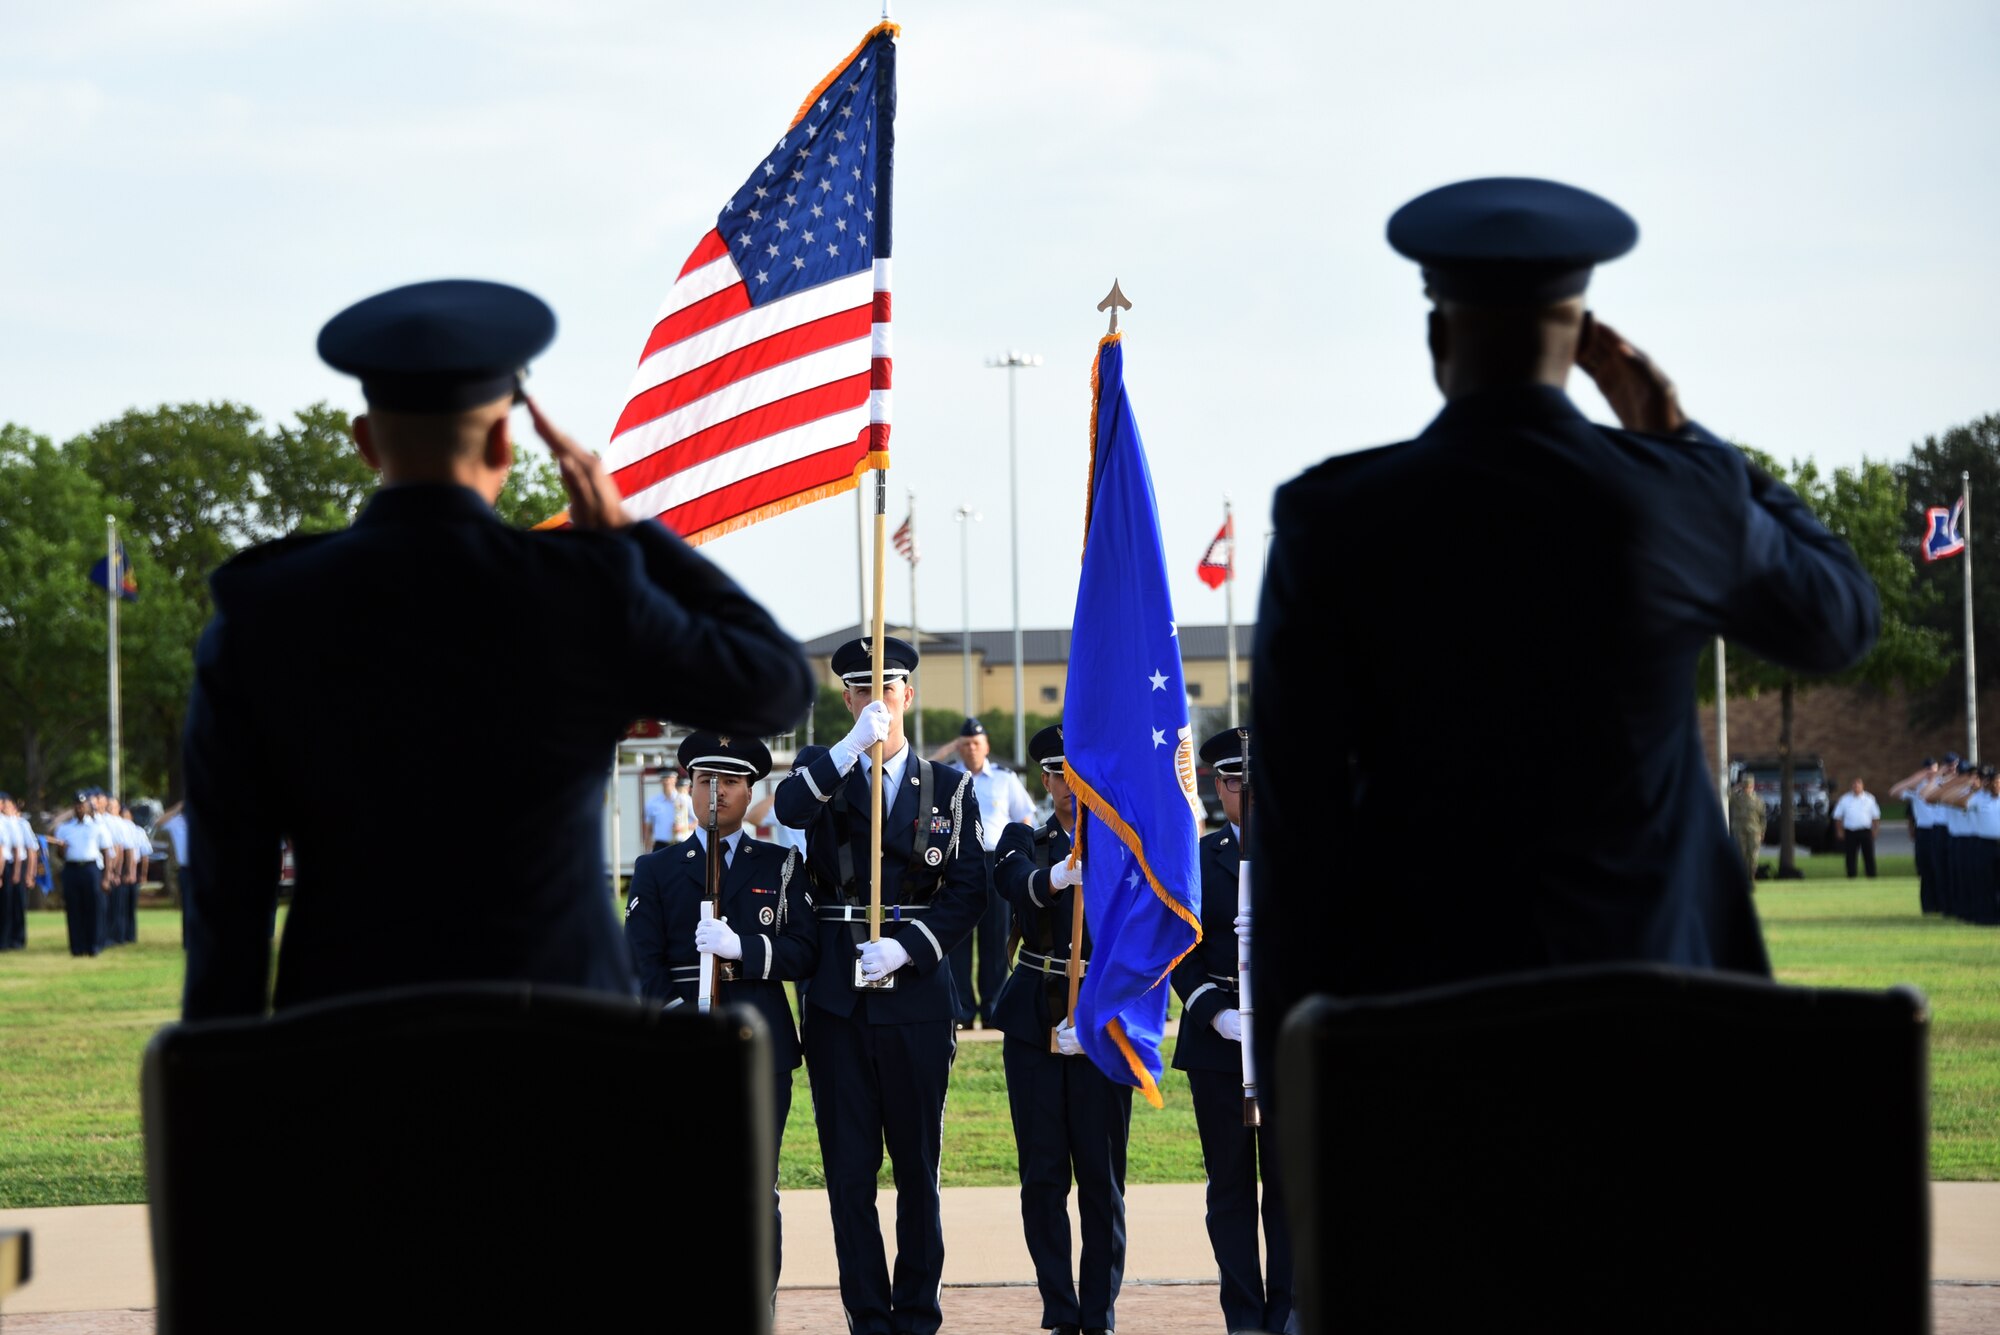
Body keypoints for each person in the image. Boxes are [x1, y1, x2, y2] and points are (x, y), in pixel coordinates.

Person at [1251, 178, 1881, 1117]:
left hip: (1426, 1047)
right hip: (1661, 1040)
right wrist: (1684, 440)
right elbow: (1841, 618)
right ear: (1584, 343)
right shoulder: (1675, 494)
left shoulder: (1333, 519)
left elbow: (1296, 827)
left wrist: (1302, 1086)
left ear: (1438, 341)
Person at [181, 279, 814, 1020]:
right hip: (557, 1038)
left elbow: (230, 885)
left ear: (364, 442)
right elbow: (774, 682)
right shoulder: (578, 590)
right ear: (503, 442)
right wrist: (629, 535)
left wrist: (221, 1070)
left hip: (346, 1040)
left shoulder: (267, 609)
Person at [774, 635, 987, 1335]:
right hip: (839, 996)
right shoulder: (821, 772)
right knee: (849, 1172)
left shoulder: (950, 787)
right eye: (861, 689)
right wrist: (842, 752)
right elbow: (790, 809)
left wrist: (908, 945)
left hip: (918, 996)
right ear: (847, 699)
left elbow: (969, 889)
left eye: (887, 685)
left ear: (909, 693)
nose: (877, 699)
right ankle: (868, 1313)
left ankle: (917, 1312)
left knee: (917, 1171)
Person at [623, 730, 817, 1284]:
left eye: (730, 782)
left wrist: (746, 949)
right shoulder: (657, 869)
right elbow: (643, 960)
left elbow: (805, 951)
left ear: (749, 791)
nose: (716, 793)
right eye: (705, 780)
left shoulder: (780, 865)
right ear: (688, 788)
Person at [990, 724, 1131, 1335]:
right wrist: (1056, 878)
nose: (1068, 787)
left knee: (1101, 1177)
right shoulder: (1027, 835)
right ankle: (1059, 1305)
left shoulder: (1125, 841)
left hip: (1100, 1014)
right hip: (1034, 1017)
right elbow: (1009, 877)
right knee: (1043, 1173)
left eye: (1077, 775)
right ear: (1045, 780)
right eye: (1056, 774)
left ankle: (1098, 1310)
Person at [1174, 729, 1293, 1335]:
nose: (1244, 793)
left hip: (1282, 1049)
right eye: (1232, 782)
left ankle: (1288, 1314)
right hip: (1218, 1043)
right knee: (1230, 1188)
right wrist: (1213, 1012)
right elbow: (1180, 949)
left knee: (1288, 1187)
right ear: (1219, 788)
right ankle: (1243, 1316)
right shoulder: (1200, 858)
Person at [948, 717, 1036, 1028]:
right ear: (959, 747)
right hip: (958, 863)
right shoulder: (948, 776)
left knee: (996, 937)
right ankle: (961, 1009)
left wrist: (1022, 860)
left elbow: (1024, 819)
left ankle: (993, 1006)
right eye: (966, 744)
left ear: (986, 747)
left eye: (976, 743)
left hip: (994, 860)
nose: (971, 749)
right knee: (957, 936)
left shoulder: (1005, 778)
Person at [51, 792, 113, 957]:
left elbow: (107, 853)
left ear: (87, 807)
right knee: (74, 908)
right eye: (77, 805)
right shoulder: (64, 828)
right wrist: (61, 850)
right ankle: (77, 947)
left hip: (91, 868)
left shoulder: (97, 826)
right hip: (71, 868)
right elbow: (60, 854)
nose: (80, 808)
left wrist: (107, 877)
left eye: (83, 805)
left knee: (93, 907)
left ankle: (94, 945)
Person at [1892, 759, 1945, 913]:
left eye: (1933, 769)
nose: (1931, 773)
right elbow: (1894, 791)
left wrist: (1936, 777)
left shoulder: (1943, 785)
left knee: (1939, 869)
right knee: (1925, 869)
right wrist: (1916, 778)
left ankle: (1942, 904)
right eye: (1927, 770)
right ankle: (1928, 906)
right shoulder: (1917, 788)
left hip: (1939, 830)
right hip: (1923, 831)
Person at [1832, 777, 1882, 879]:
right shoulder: (1844, 799)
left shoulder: (1869, 799)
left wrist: (1875, 830)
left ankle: (1871, 875)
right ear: (1851, 786)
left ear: (1862, 786)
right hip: (1850, 831)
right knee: (1850, 856)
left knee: (1868, 855)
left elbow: (1876, 817)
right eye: (1854, 785)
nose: (1856, 787)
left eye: (1858, 785)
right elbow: (1838, 817)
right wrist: (1839, 831)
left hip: (1865, 831)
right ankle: (1851, 875)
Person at [0, 792, 32, 950]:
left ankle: (14, 939)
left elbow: (18, 848)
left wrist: (18, 873)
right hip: (6, 865)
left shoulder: (15, 823)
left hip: (10, 865)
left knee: (13, 905)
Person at [158, 802, 190, 947]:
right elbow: (158, 822)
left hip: (203, 869)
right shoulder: (176, 822)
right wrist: (178, 807)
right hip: (185, 869)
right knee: (187, 906)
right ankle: (188, 940)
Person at [1727, 775, 1766, 881]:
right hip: (1740, 829)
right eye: (1745, 787)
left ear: (1753, 787)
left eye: (1749, 787)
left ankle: (1752, 876)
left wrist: (1762, 831)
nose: (1747, 789)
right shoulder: (1737, 799)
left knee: (1753, 855)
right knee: (1742, 854)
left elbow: (1762, 817)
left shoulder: (1758, 800)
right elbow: (1727, 794)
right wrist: (1736, 787)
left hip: (1754, 830)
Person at [641, 769, 679, 852]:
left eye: (669, 778)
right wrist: (647, 850)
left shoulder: (684, 800)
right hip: (660, 845)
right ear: (660, 781)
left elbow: (697, 822)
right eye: (664, 779)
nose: (666, 781)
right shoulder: (653, 802)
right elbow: (649, 828)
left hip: (680, 843)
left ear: (675, 780)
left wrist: (683, 827)